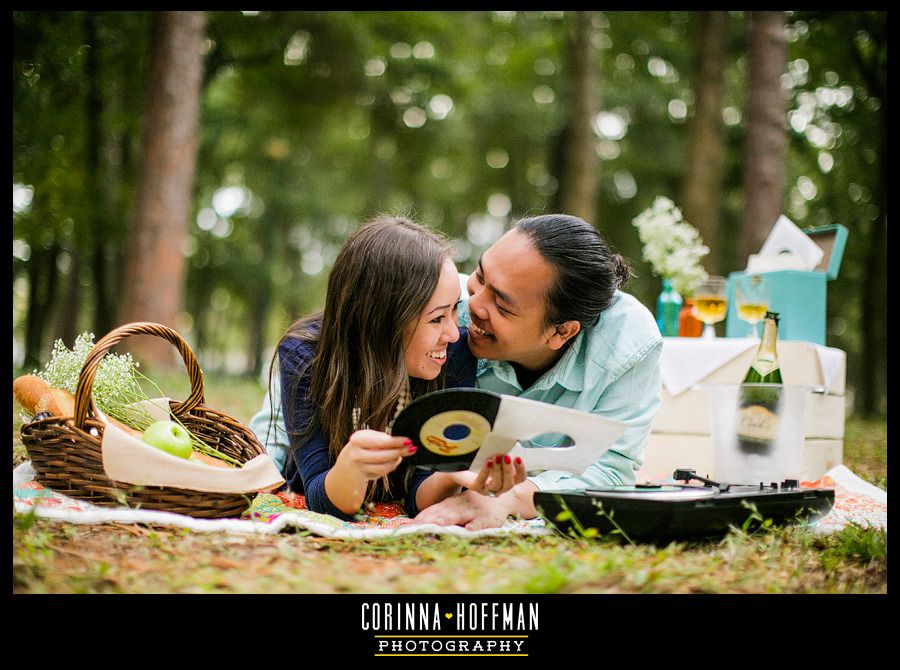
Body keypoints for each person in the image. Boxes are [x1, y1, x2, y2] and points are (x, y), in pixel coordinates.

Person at [260, 215, 525, 521]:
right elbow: (318, 497)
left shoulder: (455, 354)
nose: (453, 333)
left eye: (455, 309)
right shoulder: (305, 357)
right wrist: (352, 468)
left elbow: (419, 494)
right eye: (437, 318)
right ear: (384, 321)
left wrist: (456, 475)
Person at [411, 213, 662, 529]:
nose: (474, 305)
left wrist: (512, 499)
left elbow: (611, 471)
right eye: (480, 275)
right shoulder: (447, 308)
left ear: (562, 332)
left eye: (501, 306)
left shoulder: (628, 344)